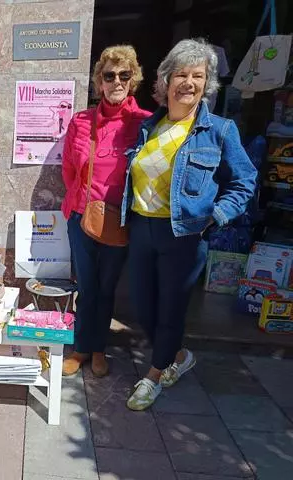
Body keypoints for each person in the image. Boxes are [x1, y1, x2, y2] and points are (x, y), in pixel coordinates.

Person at [121, 39, 257, 410]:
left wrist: (217, 215)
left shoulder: (219, 130)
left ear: (207, 83)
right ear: (165, 81)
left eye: (198, 76)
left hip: (184, 234)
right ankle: (178, 356)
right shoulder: (150, 126)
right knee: (142, 306)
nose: (189, 83)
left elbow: (244, 180)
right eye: (181, 74)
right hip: (142, 228)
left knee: (170, 309)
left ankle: (154, 375)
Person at [61, 45, 151, 377]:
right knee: (86, 286)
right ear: (99, 81)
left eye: (124, 75)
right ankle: (81, 348)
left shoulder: (145, 123)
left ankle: (99, 348)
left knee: (107, 286)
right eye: (109, 75)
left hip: (119, 220)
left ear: (133, 79)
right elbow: (69, 169)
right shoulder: (81, 121)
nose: (116, 82)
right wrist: (83, 200)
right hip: (81, 216)